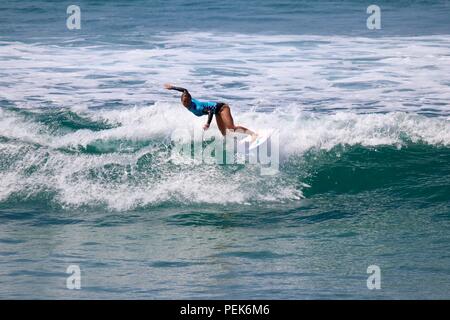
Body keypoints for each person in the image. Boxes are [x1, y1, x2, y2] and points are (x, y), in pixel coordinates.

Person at [164, 84, 257, 139]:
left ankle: (253, 134)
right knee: (224, 133)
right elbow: (184, 90)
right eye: (184, 101)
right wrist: (172, 87)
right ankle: (235, 142)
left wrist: (207, 124)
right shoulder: (187, 98)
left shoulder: (198, 107)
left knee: (231, 128)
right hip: (216, 112)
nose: (186, 103)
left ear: (190, 99)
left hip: (222, 108)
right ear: (181, 100)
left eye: (187, 101)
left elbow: (209, 112)